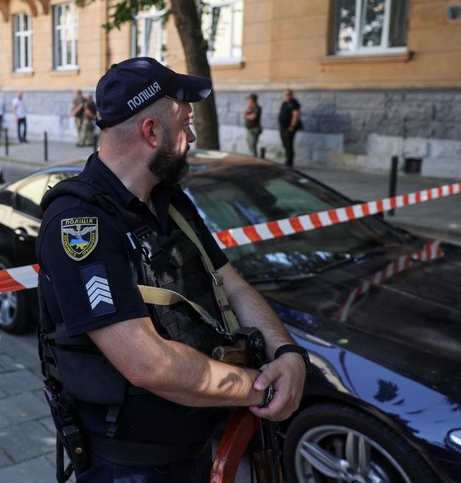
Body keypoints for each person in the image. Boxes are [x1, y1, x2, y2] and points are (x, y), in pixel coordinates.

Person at [37, 57, 307, 481]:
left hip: (195, 448)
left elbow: (230, 284)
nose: (194, 136)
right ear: (152, 132)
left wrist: (287, 353)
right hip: (129, 468)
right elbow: (146, 363)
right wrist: (260, 385)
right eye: (187, 124)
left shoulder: (170, 202)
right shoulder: (78, 223)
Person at [278, 88, 302, 167]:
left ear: (291, 95)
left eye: (288, 94)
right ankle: (287, 160)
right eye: (285, 94)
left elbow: (295, 115)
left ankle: (289, 163)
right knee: (284, 143)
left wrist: (292, 126)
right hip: (282, 127)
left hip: (289, 128)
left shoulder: (294, 103)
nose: (286, 96)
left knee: (289, 144)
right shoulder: (284, 103)